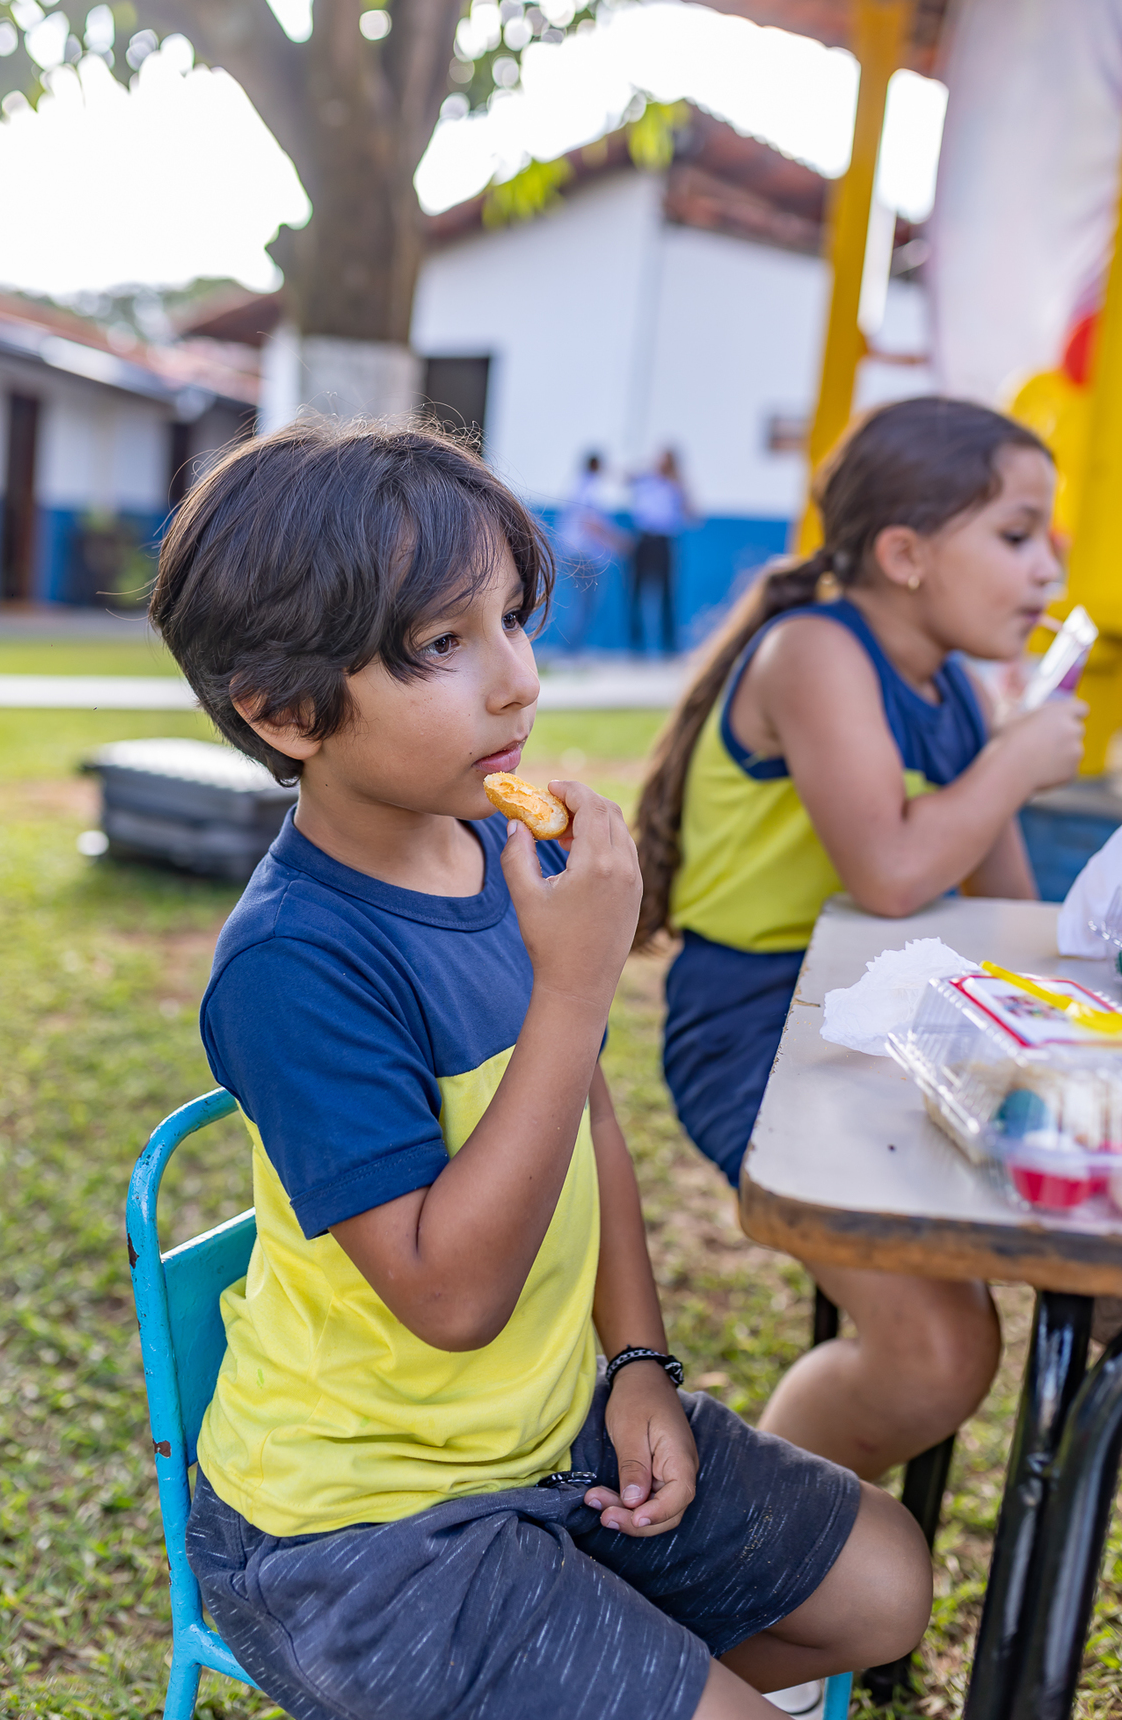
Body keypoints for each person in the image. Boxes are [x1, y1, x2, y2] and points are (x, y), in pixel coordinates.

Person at [148, 421, 931, 1720]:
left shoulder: (503, 857)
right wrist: (573, 986)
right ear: (284, 711)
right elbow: (452, 1298)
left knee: (884, 1583)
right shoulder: (294, 965)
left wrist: (639, 1365)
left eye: (513, 619)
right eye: (441, 645)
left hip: (557, 1435)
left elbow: (588, 1127)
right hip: (364, 1536)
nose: (518, 681)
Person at [634, 396, 1086, 1485]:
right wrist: (1014, 764)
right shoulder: (816, 655)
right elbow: (889, 872)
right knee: (938, 1353)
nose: (1050, 570)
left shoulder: (956, 690)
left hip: (897, 1027)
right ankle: (760, 1549)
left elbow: (1009, 917)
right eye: (1017, 535)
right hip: (760, 1032)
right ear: (905, 554)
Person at [555, 451, 627, 655]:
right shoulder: (591, 488)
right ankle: (571, 651)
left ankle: (571, 649)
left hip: (571, 550)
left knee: (581, 602)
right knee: (585, 604)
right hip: (583, 553)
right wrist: (617, 541)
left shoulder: (577, 485)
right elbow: (591, 522)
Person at [630, 447, 690, 656]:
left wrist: (680, 483)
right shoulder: (645, 481)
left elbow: (691, 513)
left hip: (664, 541)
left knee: (667, 594)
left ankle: (669, 645)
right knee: (636, 592)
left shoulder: (676, 486)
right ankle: (636, 644)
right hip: (644, 538)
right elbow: (624, 476)